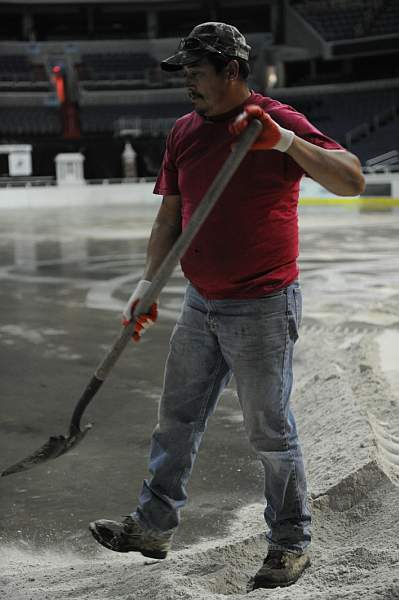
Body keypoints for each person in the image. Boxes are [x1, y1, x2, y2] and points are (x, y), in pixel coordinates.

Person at [89, 22, 365, 590]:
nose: (187, 83)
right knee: (176, 420)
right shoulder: (184, 132)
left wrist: (284, 143)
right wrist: (148, 283)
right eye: (184, 74)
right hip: (201, 304)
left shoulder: (276, 121)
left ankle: (290, 542)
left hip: (263, 305)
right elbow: (170, 217)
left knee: (269, 432)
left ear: (232, 72)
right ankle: (153, 526)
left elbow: (353, 180)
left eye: (196, 73)